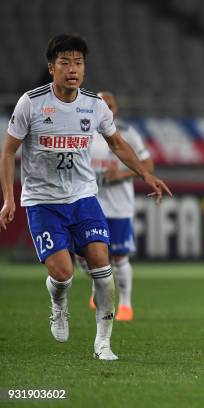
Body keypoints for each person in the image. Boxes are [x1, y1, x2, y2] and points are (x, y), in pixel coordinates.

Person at [0, 34, 172, 360]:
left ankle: (103, 344)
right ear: (52, 68)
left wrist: (145, 174)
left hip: (83, 196)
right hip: (43, 200)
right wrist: (9, 199)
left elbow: (118, 144)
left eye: (78, 62)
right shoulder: (31, 103)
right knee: (62, 273)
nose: (73, 69)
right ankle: (59, 301)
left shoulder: (93, 105)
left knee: (102, 267)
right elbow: (8, 152)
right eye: (65, 62)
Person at [77, 91, 153, 321]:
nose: (107, 109)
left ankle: (126, 306)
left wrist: (119, 174)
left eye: (110, 105)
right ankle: (97, 289)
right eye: (102, 104)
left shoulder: (127, 133)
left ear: (116, 108)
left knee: (119, 257)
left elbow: (147, 164)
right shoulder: (83, 131)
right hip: (89, 203)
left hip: (119, 205)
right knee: (83, 257)